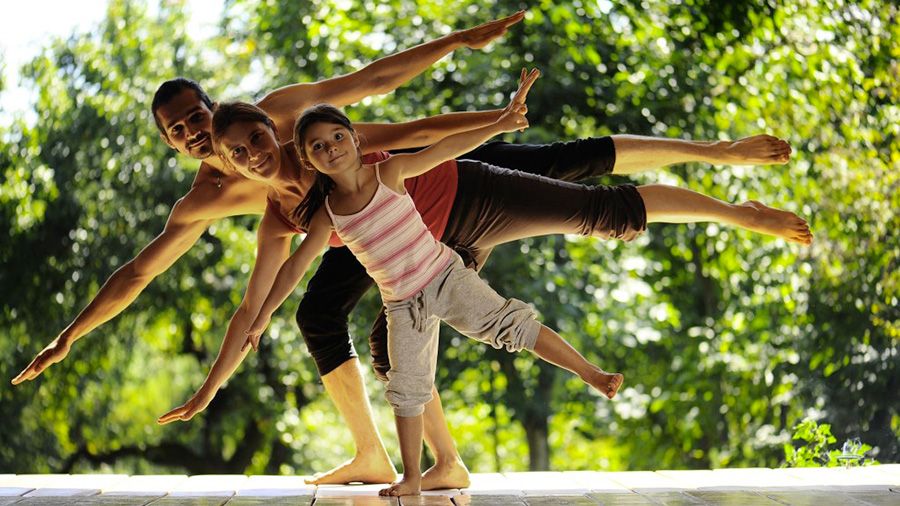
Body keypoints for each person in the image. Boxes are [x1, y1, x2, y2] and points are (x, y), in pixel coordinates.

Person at [12, 12, 802, 487]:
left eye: (202, 116)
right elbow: (165, 278)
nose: (199, 134)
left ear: (229, 113)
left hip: (443, 183)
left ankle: (721, 162)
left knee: (577, 173)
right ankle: (416, 462)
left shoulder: (287, 118)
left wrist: (461, 59)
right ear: (177, 144)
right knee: (353, 325)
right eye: (179, 131)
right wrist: (75, 337)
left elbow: (379, 85)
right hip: (413, 238)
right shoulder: (225, 203)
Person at [176, 75, 811, 489]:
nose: (254, 153)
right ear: (224, 164)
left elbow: (425, 137)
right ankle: (445, 465)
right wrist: (210, 387)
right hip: (436, 251)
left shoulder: (343, 147)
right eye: (237, 152)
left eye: (258, 137)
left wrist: (497, 118)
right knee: (386, 348)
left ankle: (734, 202)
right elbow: (261, 298)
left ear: (274, 129)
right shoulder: (297, 213)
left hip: (470, 195)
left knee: (595, 203)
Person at [242, 80, 625, 497]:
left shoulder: (388, 171)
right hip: (402, 306)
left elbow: (445, 148)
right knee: (405, 389)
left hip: (445, 275)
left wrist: (500, 121)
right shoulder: (327, 215)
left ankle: (592, 373)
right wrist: (261, 317)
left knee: (511, 327)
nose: (331, 147)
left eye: (337, 137)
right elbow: (295, 266)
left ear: (355, 138)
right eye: (317, 146)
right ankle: (411, 476)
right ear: (307, 159)